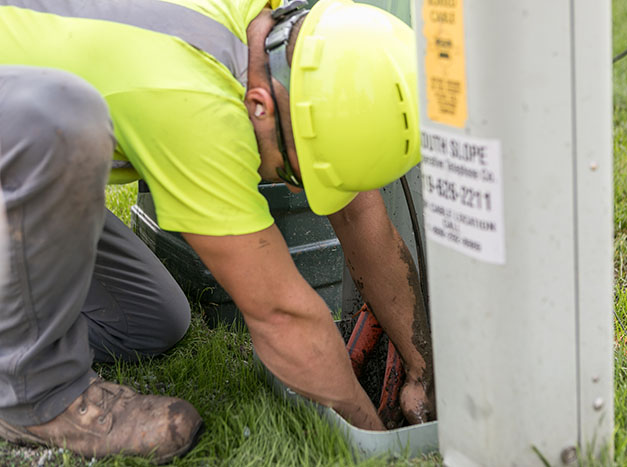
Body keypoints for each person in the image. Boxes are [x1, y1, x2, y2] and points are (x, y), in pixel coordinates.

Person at [0, 0, 435, 462]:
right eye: (293, 171)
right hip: (27, 129)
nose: (290, 186)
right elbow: (280, 314)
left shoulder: (295, 40)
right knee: (62, 117)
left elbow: (357, 212)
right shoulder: (191, 102)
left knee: (150, 323)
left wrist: (420, 366)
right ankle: (33, 396)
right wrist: (375, 440)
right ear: (260, 106)